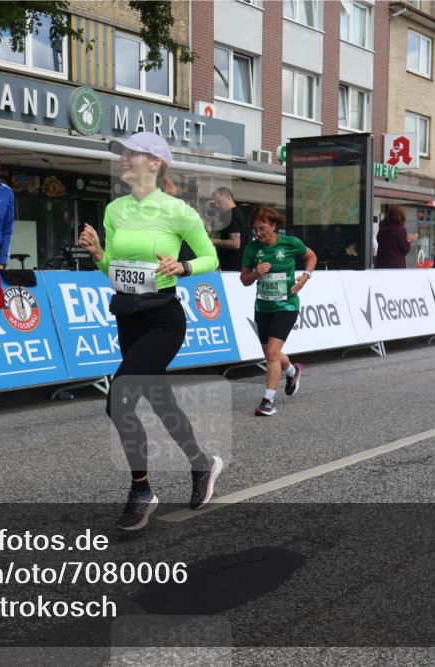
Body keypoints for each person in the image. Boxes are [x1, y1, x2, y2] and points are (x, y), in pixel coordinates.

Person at [76, 131, 222, 532]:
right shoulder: (114, 210)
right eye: (122, 154)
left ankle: (141, 489)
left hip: (163, 319)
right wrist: (97, 254)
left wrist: (184, 267)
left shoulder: (178, 212)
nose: (123, 159)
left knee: (118, 399)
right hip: (127, 315)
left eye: (132, 154)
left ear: (156, 163)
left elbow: (211, 256)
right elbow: (113, 272)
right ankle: (203, 464)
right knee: (161, 403)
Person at [240, 207, 317, 416]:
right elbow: (244, 280)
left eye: (262, 228)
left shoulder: (290, 243)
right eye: (255, 229)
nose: (258, 232)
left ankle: (268, 401)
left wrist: (305, 277)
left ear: (274, 225)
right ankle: (293, 371)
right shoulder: (252, 249)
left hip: (287, 306)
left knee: (272, 353)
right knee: (270, 353)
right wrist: (256, 273)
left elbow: (311, 256)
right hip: (263, 307)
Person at [210, 187, 249, 271]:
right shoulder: (239, 212)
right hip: (238, 266)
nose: (217, 206)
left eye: (219, 202)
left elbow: (235, 243)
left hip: (232, 267)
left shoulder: (229, 215)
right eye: (215, 203)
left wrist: (214, 241)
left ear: (229, 198)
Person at [374, 204, 418, 269]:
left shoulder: (382, 229)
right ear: (401, 216)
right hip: (395, 268)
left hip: (381, 265)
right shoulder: (400, 230)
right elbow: (405, 249)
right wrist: (409, 240)